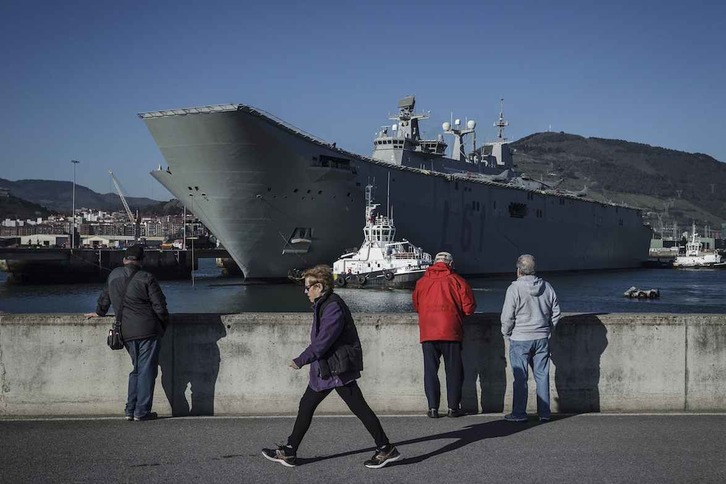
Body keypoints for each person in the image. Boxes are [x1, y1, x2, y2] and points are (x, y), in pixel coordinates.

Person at [262, 264, 401, 469]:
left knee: (358, 408)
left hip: (336, 369)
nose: (305, 291)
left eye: (308, 287)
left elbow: (323, 341)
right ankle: (290, 451)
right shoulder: (324, 304)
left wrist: (301, 360)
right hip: (328, 368)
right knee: (308, 406)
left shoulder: (333, 306)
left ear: (319, 286)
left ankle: (385, 448)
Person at [85, 244, 169, 421]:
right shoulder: (146, 277)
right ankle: (142, 411)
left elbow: (104, 299)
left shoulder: (113, 275)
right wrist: (162, 326)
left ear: (124, 260)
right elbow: (160, 306)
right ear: (141, 261)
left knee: (137, 369)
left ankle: (130, 409)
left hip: (125, 331)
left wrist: (99, 313)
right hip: (147, 330)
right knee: (147, 371)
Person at [412, 251, 476, 418]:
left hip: (428, 331)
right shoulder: (457, 281)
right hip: (451, 331)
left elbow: (416, 305)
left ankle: (433, 408)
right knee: (453, 371)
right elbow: (469, 308)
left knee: (430, 371)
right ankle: (453, 408)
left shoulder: (421, 282)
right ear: (451, 264)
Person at [500, 254, 561, 423]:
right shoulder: (547, 287)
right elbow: (556, 312)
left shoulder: (514, 289)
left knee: (521, 378)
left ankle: (519, 413)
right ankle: (544, 413)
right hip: (542, 337)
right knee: (542, 376)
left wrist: (507, 333)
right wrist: (548, 329)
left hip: (520, 338)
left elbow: (507, 317)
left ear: (519, 270)